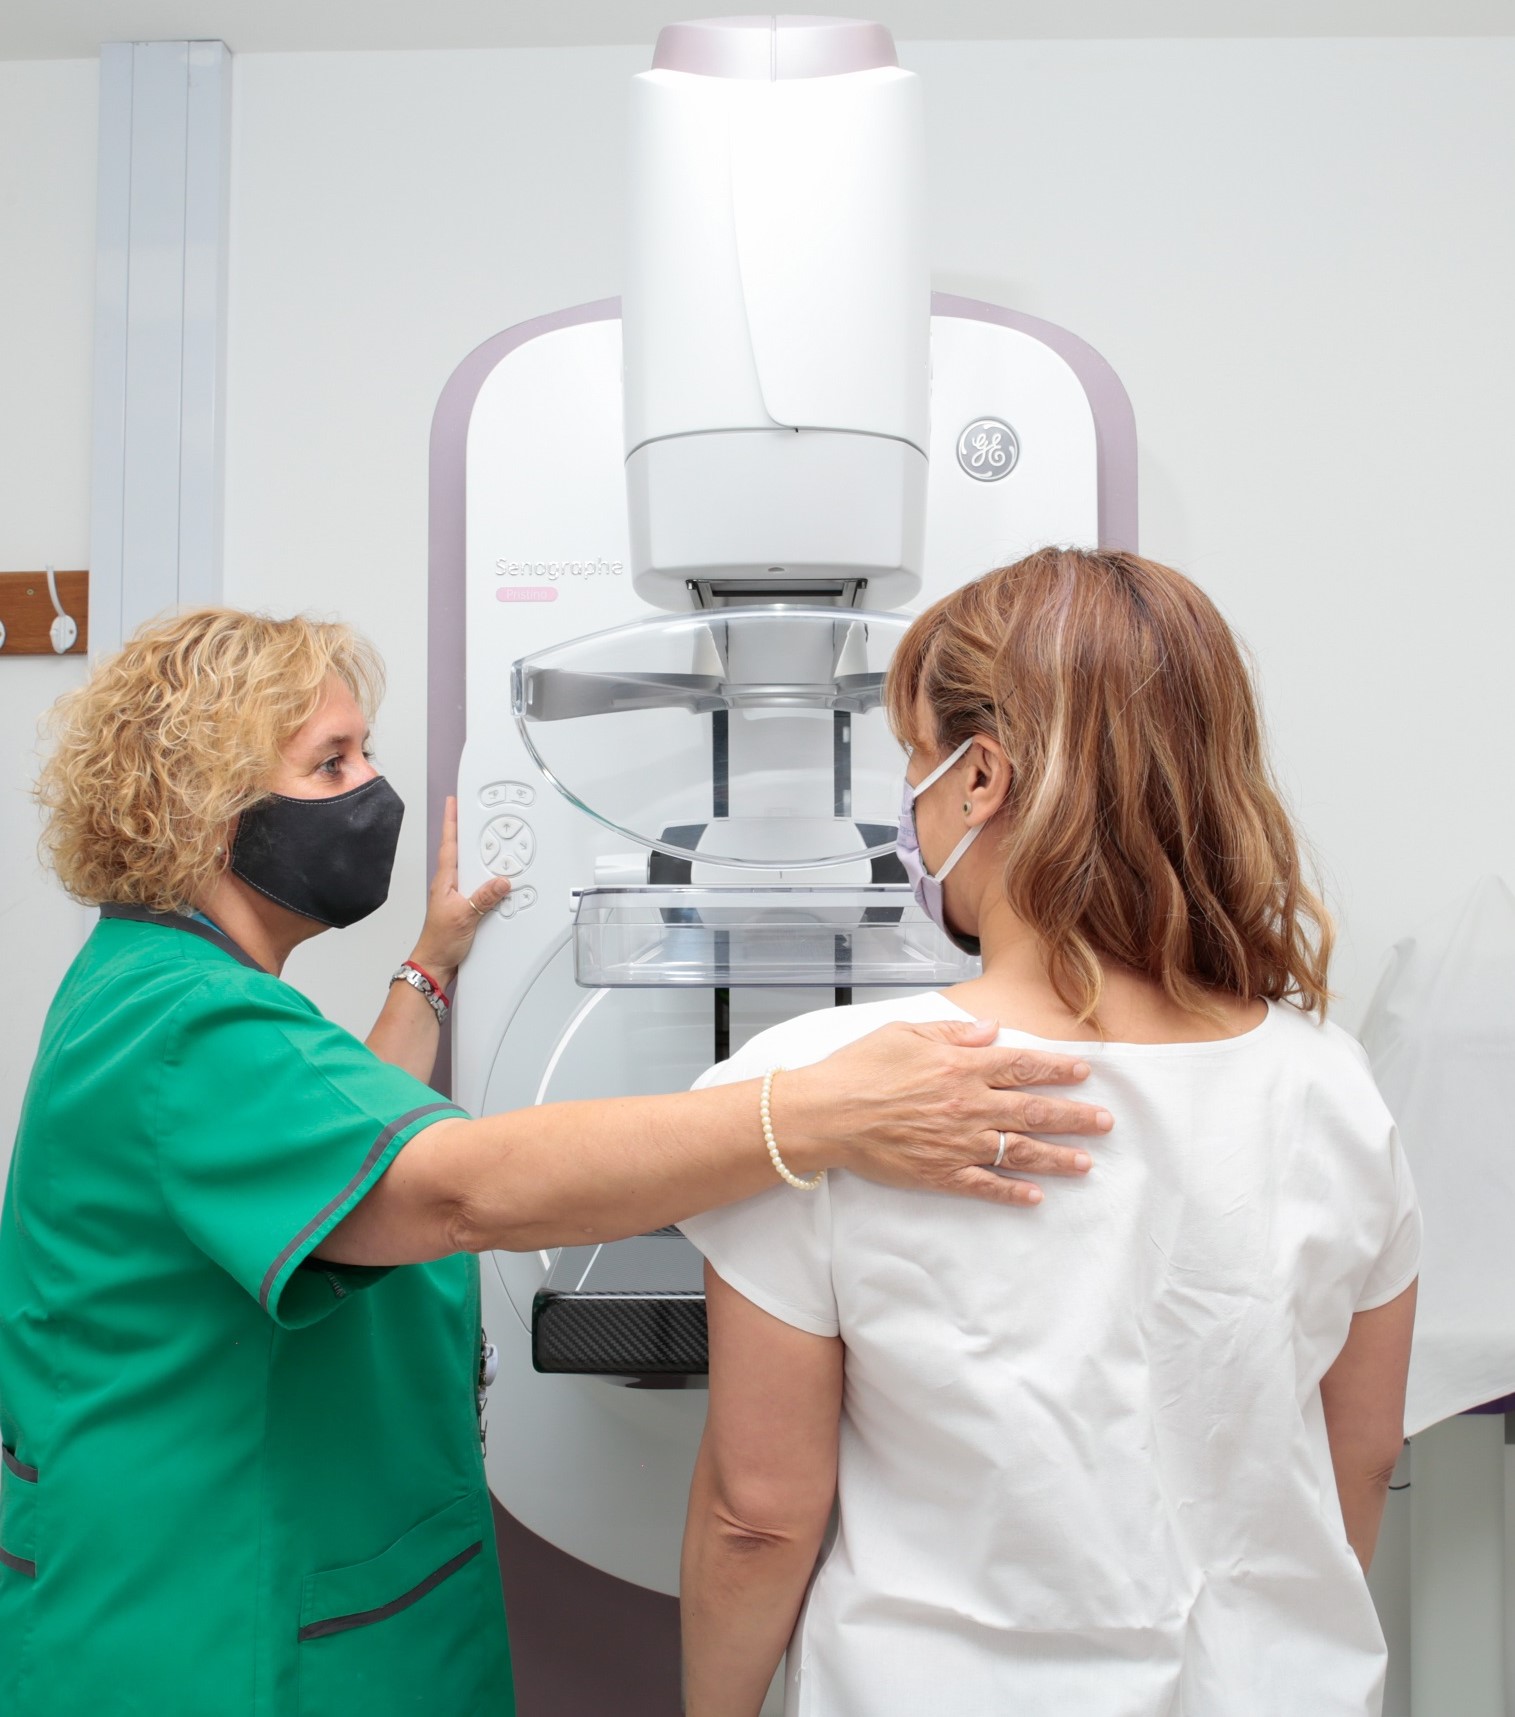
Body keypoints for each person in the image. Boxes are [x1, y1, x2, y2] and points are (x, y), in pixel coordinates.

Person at [0, 607, 1109, 1717]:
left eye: (366, 748)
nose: (373, 787)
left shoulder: (163, 991)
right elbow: (457, 1188)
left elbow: (336, 1154)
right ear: (203, 808)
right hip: (213, 1631)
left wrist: (429, 971)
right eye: (332, 761)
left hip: (280, 1584)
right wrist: (822, 1112)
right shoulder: (188, 1030)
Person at [678, 548, 1421, 1717]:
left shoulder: (814, 1092)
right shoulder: (1333, 1086)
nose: (910, 801)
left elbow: (757, 1513)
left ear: (982, 780)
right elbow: (1359, 1459)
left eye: (916, 760)